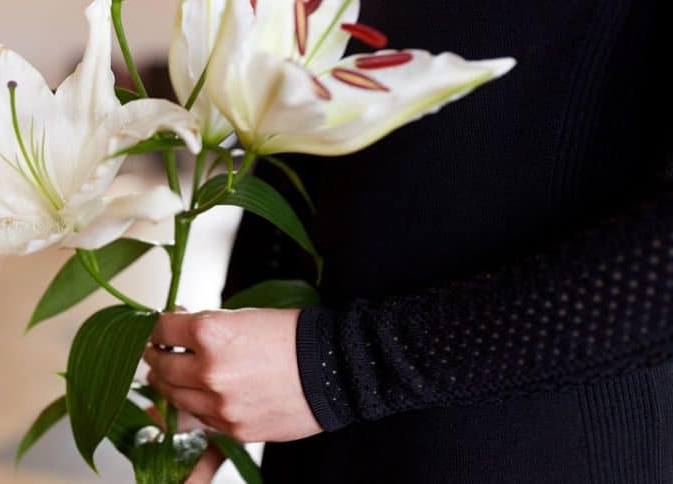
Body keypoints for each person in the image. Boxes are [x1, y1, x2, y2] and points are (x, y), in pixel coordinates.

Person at [144, 0, 673, 482]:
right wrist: (219, 371)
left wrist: (341, 367)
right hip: (318, 432)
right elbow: (299, 131)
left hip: (542, 447)